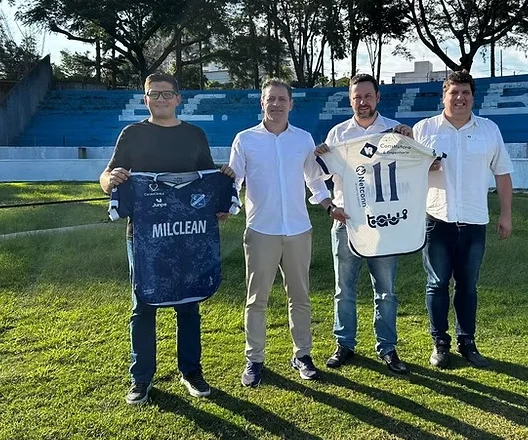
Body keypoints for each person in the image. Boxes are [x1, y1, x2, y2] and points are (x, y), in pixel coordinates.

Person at [99, 72, 235, 404]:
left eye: (166, 94)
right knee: (143, 305)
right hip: (143, 236)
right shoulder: (132, 134)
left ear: (178, 98)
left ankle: (192, 372)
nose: (160, 99)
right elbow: (106, 177)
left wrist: (223, 183)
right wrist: (110, 179)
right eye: (154, 94)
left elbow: (206, 178)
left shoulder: (194, 135)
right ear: (145, 99)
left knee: (188, 304)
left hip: (189, 237)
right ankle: (141, 378)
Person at [229, 78, 333, 387]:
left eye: (281, 99)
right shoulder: (245, 139)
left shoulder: (303, 139)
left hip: (298, 230)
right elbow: (234, 182)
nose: (276, 104)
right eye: (270, 99)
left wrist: (329, 206)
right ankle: (254, 359)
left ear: (291, 104)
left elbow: (314, 179)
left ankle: (302, 355)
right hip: (261, 229)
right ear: (262, 103)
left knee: (300, 297)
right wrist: (226, 206)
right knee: (256, 299)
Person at [413, 70, 513, 369]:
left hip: (474, 221)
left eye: (465, 92)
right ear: (443, 96)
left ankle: (467, 342)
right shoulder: (424, 130)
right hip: (436, 220)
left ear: (473, 96)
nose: (460, 98)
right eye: (453, 92)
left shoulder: (489, 130)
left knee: (468, 285)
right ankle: (440, 343)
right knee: (437, 283)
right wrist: (424, 167)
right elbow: (405, 173)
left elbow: (503, 173)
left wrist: (506, 214)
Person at [316, 74, 413, 374]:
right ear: (350, 100)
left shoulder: (394, 132)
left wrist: (411, 141)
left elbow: (415, 169)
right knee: (344, 289)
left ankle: (387, 347)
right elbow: (317, 175)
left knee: (386, 290)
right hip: (347, 222)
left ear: (378, 97)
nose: (362, 102)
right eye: (357, 96)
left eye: (368, 96)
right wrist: (328, 204)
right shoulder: (338, 134)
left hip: (384, 224)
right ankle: (344, 343)